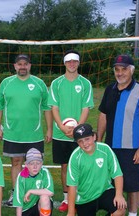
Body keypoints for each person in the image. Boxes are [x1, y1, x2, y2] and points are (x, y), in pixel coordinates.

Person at [0, 54, 53, 206]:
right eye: (19, 64)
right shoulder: (6, 83)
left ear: (30, 66)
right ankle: (16, 194)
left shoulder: (39, 84)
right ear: (14, 66)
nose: (22, 66)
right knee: (16, 162)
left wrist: (49, 129)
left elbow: (47, 108)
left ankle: (36, 194)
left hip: (34, 133)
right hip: (13, 133)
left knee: (35, 164)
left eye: (25, 64)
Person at [97, 54, 139, 216]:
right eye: (117, 69)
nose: (120, 73)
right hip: (110, 147)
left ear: (131, 71)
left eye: (124, 69)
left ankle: (133, 214)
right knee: (113, 183)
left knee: (133, 184)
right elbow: (103, 115)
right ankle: (116, 210)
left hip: (132, 148)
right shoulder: (109, 89)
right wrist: (99, 142)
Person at [47, 49, 94, 212]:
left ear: (79, 63)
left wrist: (77, 129)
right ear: (64, 63)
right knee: (65, 167)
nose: (72, 64)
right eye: (69, 61)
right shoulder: (56, 83)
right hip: (61, 133)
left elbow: (86, 108)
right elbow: (54, 107)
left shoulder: (85, 83)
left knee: (81, 166)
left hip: (79, 134)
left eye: (75, 61)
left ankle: (80, 197)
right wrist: (60, 126)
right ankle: (67, 199)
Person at [67, 123, 127, 216]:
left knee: (120, 209)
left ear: (94, 136)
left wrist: (119, 195)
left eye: (87, 139)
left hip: (104, 191)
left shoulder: (105, 149)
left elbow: (117, 174)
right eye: (80, 141)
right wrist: (70, 212)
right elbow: (72, 185)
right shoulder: (75, 157)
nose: (85, 144)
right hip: (84, 198)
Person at [13, 148, 54, 216]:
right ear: (26, 164)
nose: (35, 166)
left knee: (45, 198)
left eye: (38, 163)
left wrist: (31, 191)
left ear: (42, 163)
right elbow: (18, 202)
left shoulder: (44, 172)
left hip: (39, 206)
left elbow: (50, 192)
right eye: (31, 163)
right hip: (26, 209)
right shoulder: (21, 177)